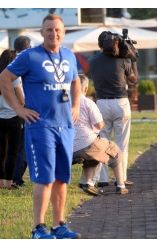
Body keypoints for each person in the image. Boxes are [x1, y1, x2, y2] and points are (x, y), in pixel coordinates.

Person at [0, 14, 81, 239]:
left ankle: (59, 225)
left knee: (62, 178)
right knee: (44, 178)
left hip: (65, 126)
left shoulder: (69, 55)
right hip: (41, 126)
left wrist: (76, 105)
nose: (53, 34)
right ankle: (38, 228)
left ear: (63, 32)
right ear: (42, 32)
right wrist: (19, 110)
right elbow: (4, 79)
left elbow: (75, 81)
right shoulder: (29, 56)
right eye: (48, 30)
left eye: (57, 30)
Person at [89, 31, 137, 186]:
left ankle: (102, 179)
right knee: (122, 143)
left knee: (102, 142)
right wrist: (132, 57)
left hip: (102, 104)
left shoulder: (93, 61)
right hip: (121, 103)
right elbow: (134, 80)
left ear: (100, 44)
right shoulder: (123, 60)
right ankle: (120, 179)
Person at [73, 74, 128, 196]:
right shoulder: (88, 102)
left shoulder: (64, 103)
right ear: (85, 88)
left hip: (69, 148)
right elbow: (99, 125)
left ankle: (88, 183)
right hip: (86, 143)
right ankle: (121, 185)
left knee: (94, 156)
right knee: (115, 150)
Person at [0, 49, 24, 190]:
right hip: (14, 117)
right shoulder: (15, 77)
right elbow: (21, 99)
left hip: (0, 118)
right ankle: (8, 182)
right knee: (12, 152)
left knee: (0, 151)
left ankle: (0, 182)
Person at [12, 35, 31, 187]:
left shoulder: (8, 60)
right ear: (28, 47)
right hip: (22, 110)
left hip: (6, 111)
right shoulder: (27, 60)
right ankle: (16, 177)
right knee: (22, 147)